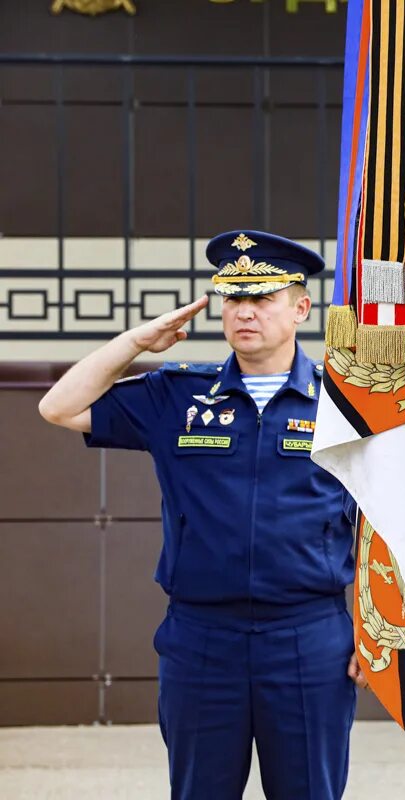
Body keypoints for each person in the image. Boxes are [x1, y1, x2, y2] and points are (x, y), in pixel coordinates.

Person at [39, 231, 359, 799]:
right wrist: (138, 341)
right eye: (234, 299)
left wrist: (375, 630)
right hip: (203, 638)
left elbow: (383, 519)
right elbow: (58, 406)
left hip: (309, 636)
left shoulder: (346, 401)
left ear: (301, 308)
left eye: (262, 298)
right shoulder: (179, 396)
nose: (245, 312)